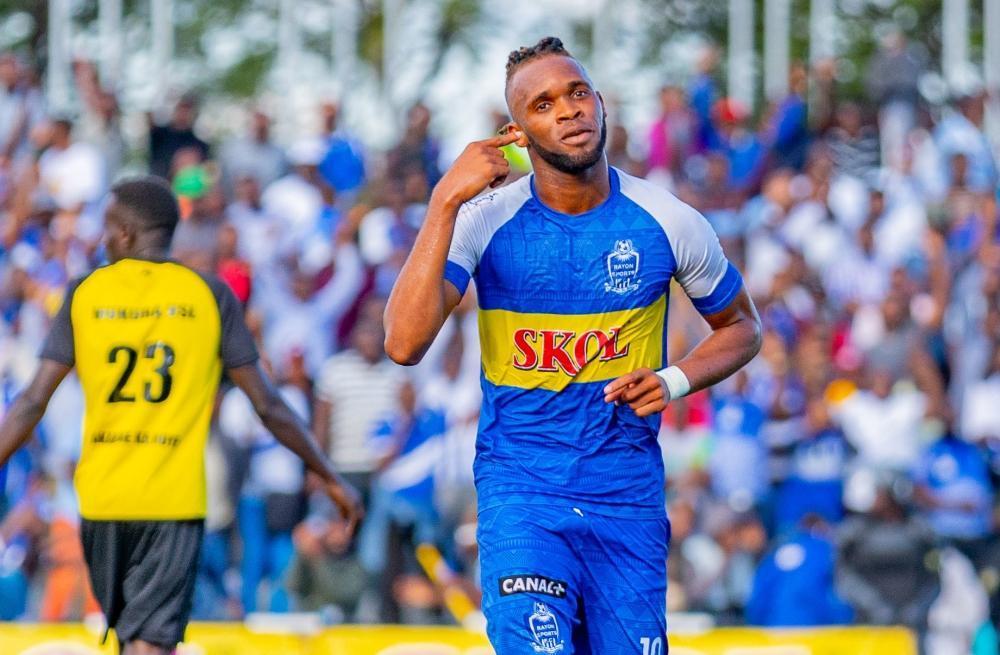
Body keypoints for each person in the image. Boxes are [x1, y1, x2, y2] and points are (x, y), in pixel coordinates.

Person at [384, 37, 761, 653]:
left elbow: (743, 327)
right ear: (516, 132)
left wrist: (673, 380)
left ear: (601, 103)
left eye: (578, 93)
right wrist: (444, 200)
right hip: (522, 493)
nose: (568, 110)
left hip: (626, 498)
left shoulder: (669, 220)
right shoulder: (484, 219)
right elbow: (403, 342)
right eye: (544, 104)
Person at [0, 177, 361, 655]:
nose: (102, 239)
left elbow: (31, 401)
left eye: (107, 228)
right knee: (151, 643)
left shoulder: (86, 292)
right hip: (173, 499)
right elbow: (269, 405)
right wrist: (329, 475)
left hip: (103, 498)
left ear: (125, 232)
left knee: (131, 640)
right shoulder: (208, 295)